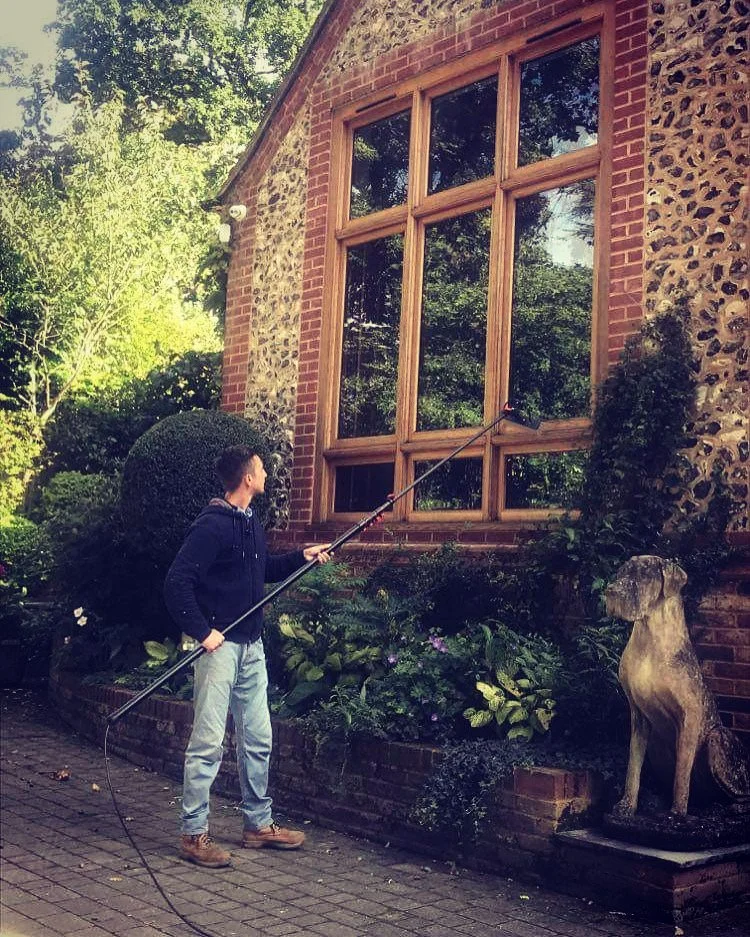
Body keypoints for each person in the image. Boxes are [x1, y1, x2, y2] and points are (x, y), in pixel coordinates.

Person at [164, 443, 331, 868]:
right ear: (247, 478)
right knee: (207, 743)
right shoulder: (212, 527)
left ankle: (257, 824)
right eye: (261, 469)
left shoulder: (250, 522)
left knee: (258, 738)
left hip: (252, 648)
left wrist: (302, 557)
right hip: (220, 650)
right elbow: (177, 582)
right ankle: (193, 833)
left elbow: (262, 571)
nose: (267, 474)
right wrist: (203, 632)